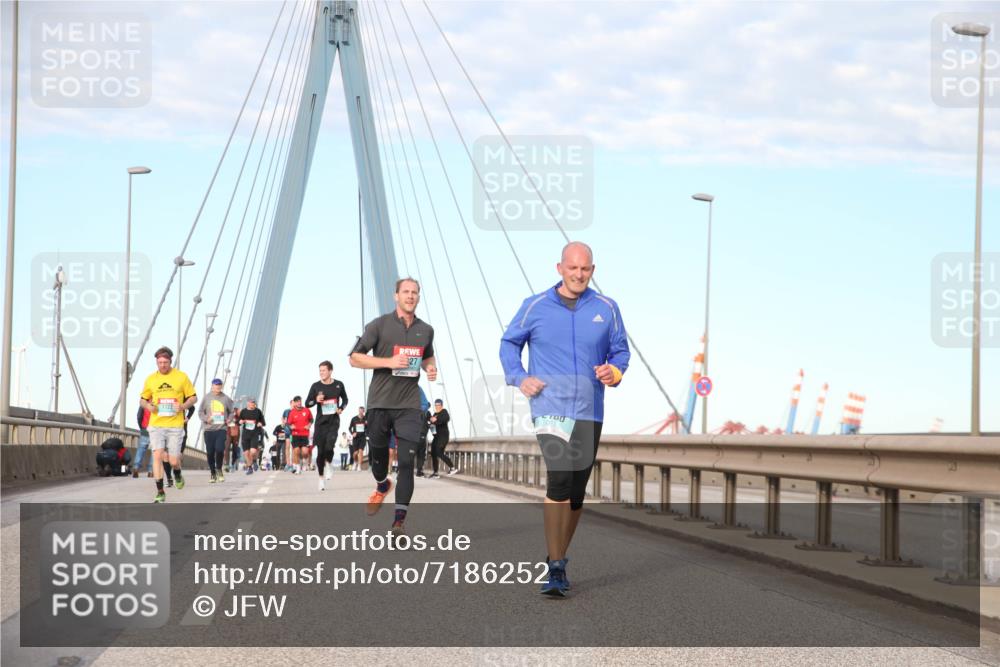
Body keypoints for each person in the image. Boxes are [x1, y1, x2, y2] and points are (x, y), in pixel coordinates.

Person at [500, 241, 630, 597]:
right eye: (572, 268)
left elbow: (620, 350)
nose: (579, 274)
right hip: (549, 406)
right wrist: (519, 376)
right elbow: (509, 343)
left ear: (593, 270)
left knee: (575, 491)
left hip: (590, 407)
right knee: (559, 480)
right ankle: (556, 567)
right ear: (559, 268)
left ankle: (559, 555)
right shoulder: (535, 307)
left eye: (585, 269)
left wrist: (614, 372)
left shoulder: (607, 308)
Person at [349, 277, 436, 540]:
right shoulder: (379, 325)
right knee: (378, 459)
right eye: (405, 292)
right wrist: (388, 361)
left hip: (409, 405)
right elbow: (354, 358)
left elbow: (427, 354)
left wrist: (429, 367)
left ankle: (398, 523)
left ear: (418, 297)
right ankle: (381, 484)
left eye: (414, 292)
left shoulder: (426, 330)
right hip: (380, 403)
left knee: (407, 461)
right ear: (395, 296)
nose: (410, 296)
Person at [139, 346, 197, 503]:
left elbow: (193, 398)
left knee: (173, 460)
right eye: (159, 362)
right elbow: (143, 400)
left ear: (170, 361)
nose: (162, 365)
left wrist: (183, 406)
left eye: (165, 362)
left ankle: (177, 473)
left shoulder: (181, 377)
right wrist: (149, 406)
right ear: (156, 362)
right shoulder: (151, 379)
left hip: (175, 425)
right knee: (157, 455)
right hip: (157, 424)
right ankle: (160, 491)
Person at [305, 361, 348, 491]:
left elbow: (346, 400)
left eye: (324, 370)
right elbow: (308, 403)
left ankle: (329, 464)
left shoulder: (338, 385)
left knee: (330, 446)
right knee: (321, 452)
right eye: (320, 371)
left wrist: (341, 408)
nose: (321, 373)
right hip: (320, 423)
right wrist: (316, 400)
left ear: (330, 371)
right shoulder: (315, 386)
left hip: (333, 421)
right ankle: (321, 479)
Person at [199, 378, 234, 483]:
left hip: (221, 428)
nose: (217, 387)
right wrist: (206, 419)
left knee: (219, 449)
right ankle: (213, 473)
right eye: (215, 385)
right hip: (209, 429)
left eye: (219, 385)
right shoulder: (206, 398)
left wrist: (229, 419)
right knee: (210, 452)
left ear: (221, 386)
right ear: (212, 386)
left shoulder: (226, 398)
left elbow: (232, 411)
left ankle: (219, 469)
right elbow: (200, 412)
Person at [428, 399, 459, 478]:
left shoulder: (444, 412)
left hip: (443, 436)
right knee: (433, 453)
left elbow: (445, 419)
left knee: (438, 452)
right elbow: (432, 425)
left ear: (442, 405)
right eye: (436, 405)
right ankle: (435, 473)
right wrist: (431, 425)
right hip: (436, 437)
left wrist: (435, 420)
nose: (437, 406)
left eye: (439, 405)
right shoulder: (434, 414)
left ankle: (452, 468)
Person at [238, 398, 266, 475]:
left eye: (254, 403)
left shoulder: (258, 411)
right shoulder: (243, 411)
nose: (253, 404)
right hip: (245, 435)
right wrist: (240, 422)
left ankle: (254, 461)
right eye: (251, 403)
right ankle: (250, 468)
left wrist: (260, 423)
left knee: (253, 452)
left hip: (254, 434)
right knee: (246, 453)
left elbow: (263, 422)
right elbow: (239, 421)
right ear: (248, 403)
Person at [286, 395, 313, 474]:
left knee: (305, 452)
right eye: (297, 401)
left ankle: (303, 461)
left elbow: (311, 419)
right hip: (295, 434)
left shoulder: (307, 410)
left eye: (300, 401)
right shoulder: (292, 412)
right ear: (294, 403)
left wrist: (309, 425)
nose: (299, 403)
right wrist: (291, 426)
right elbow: (288, 423)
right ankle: (298, 468)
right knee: (296, 450)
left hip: (304, 434)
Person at [132, 405, 153, 478]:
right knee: (154, 451)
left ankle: (136, 468)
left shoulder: (145, 402)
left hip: (145, 429)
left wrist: (142, 427)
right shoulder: (158, 400)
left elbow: (139, 416)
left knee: (140, 450)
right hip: (155, 430)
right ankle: (150, 471)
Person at [415, 389, 431, 477]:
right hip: (421, 434)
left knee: (410, 452)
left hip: (413, 434)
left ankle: (401, 471)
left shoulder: (415, 410)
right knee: (421, 453)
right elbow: (429, 423)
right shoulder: (426, 413)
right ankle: (419, 471)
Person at [348, 406, 367, 471]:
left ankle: (359, 466)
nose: (361, 412)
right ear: (358, 411)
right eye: (360, 411)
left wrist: (367, 434)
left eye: (362, 411)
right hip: (356, 438)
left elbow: (368, 428)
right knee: (355, 453)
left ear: (364, 411)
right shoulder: (354, 419)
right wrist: (353, 433)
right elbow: (349, 428)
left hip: (363, 437)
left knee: (361, 451)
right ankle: (355, 462)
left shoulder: (366, 419)